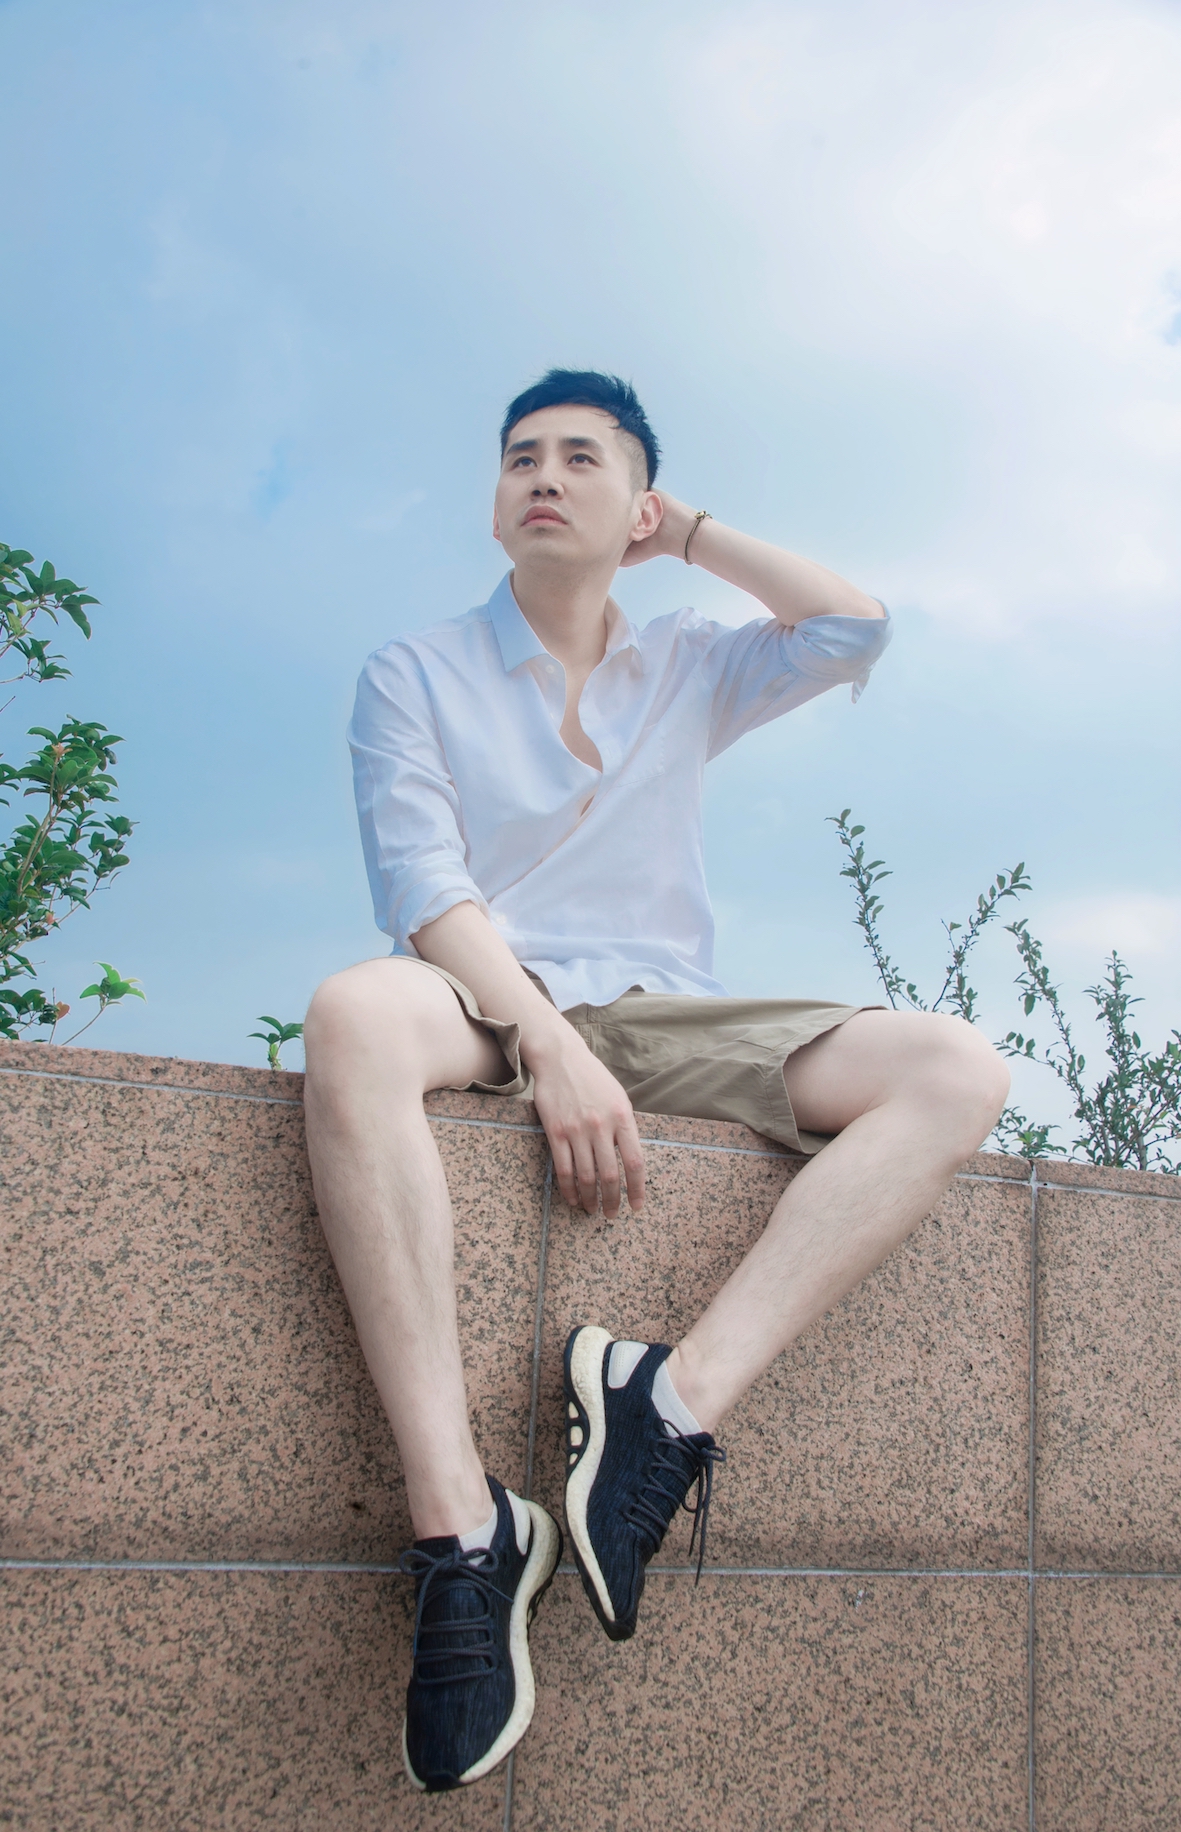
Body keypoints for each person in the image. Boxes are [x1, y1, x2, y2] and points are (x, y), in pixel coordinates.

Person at [302, 370, 1010, 1793]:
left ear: (636, 503)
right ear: (493, 504)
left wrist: (690, 536)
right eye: (520, 458)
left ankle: (665, 1410)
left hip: (659, 1010)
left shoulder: (689, 657)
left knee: (955, 1068)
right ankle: (464, 1532)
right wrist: (546, 1042)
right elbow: (425, 889)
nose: (542, 476)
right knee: (351, 1013)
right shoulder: (414, 671)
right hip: (485, 998)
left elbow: (853, 626)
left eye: (583, 458)